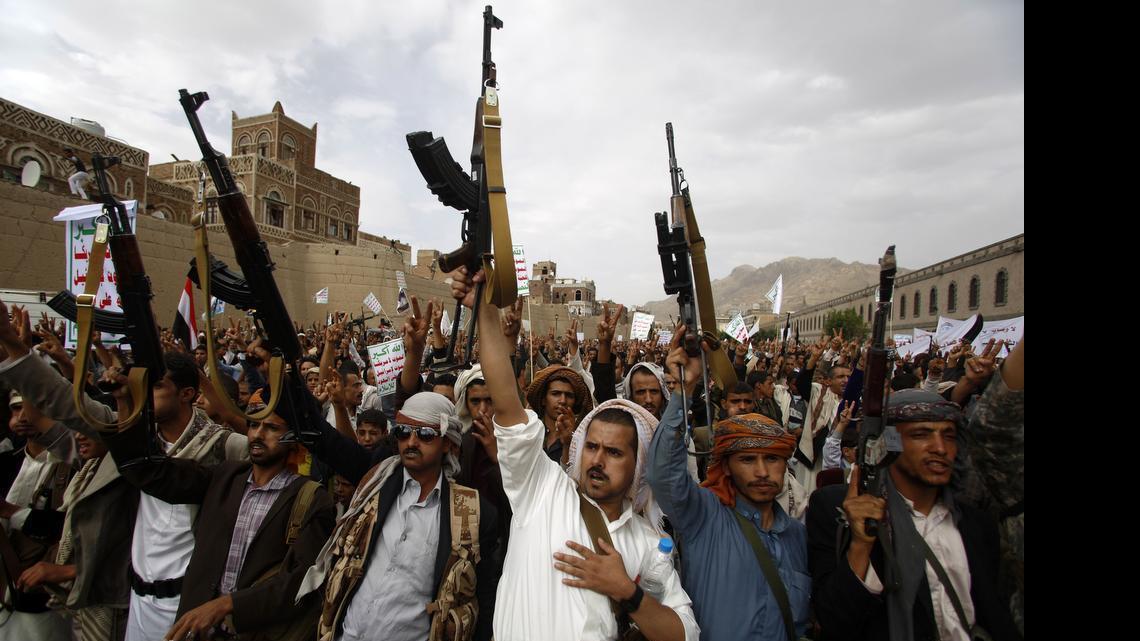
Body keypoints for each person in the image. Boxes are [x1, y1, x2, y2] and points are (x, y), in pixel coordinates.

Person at [451, 267, 699, 641]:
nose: (597, 460)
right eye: (593, 447)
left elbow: (685, 633)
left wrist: (627, 593)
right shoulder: (542, 489)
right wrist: (484, 312)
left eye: (614, 452)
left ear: (639, 465)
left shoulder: (649, 544)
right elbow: (505, 397)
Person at [0, 299, 249, 641]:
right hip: (132, 600)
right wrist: (13, 345)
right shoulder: (128, 438)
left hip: (192, 602)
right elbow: (63, 401)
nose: (144, 395)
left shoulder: (226, 448)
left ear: (187, 394)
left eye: (156, 387)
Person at [101, 389, 335, 640]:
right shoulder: (224, 477)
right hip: (198, 631)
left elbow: (302, 582)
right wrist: (125, 400)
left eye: (271, 428)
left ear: (293, 438)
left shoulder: (311, 499)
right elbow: (155, 473)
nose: (258, 434)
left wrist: (228, 605)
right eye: (254, 425)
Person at [805, 388, 1020, 641]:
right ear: (888, 443)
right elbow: (834, 620)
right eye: (921, 435)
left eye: (948, 436)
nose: (940, 448)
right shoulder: (837, 509)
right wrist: (861, 545)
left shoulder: (977, 523)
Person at [647, 328, 810, 641]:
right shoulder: (705, 517)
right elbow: (664, 475)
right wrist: (685, 389)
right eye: (748, 460)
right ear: (728, 466)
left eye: (772, 459)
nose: (763, 471)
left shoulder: (796, 535)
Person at [296, 392, 500, 641]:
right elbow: (321, 437)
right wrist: (282, 369)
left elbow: (485, 598)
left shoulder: (473, 513)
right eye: (404, 432)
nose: (411, 442)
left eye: (425, 434)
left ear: (448, 443)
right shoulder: (376, 481)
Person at [14, 428, 138, 641]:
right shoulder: (87, 471)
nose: (79, 436)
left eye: (88, 430)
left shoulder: (128, 478)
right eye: (76, 429)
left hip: (112, 601)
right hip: (85, 599)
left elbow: (131, 551)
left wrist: (68, 571)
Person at [526, 364, 593, 465]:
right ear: (543, 399)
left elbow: (573, 477)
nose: (563, 401)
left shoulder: (583, 439)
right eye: (555, 394)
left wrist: (568, 443)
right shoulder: (529, 431)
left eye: (569, 395)